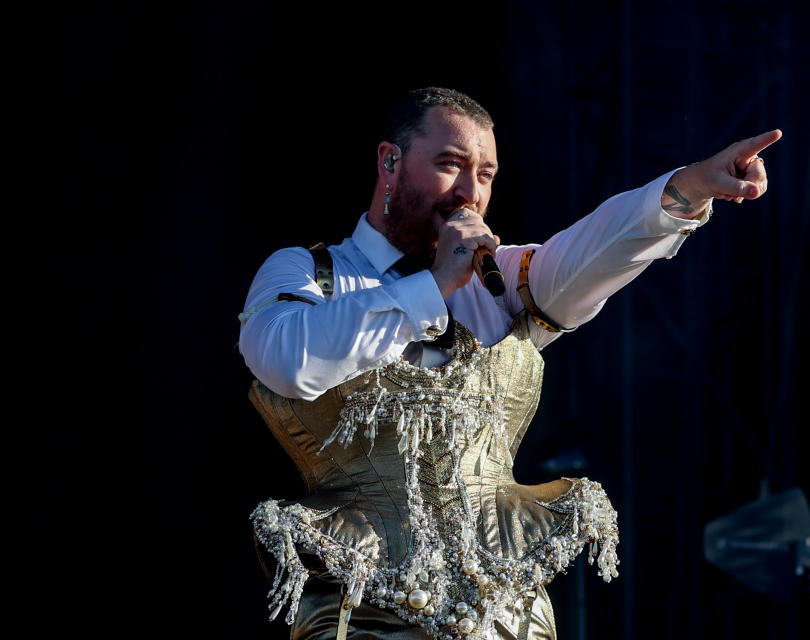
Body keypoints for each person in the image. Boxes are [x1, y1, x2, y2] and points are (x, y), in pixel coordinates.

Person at [239, 87, 779, 640]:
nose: (470, 194)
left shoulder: (502, 282)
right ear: (390, 162)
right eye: (451, 165)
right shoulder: (310, 274)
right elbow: (287, 361)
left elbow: (594, 252)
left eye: (487, 175)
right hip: (364, 606)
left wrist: (686, 189)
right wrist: (434, 285)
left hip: (502, 612)